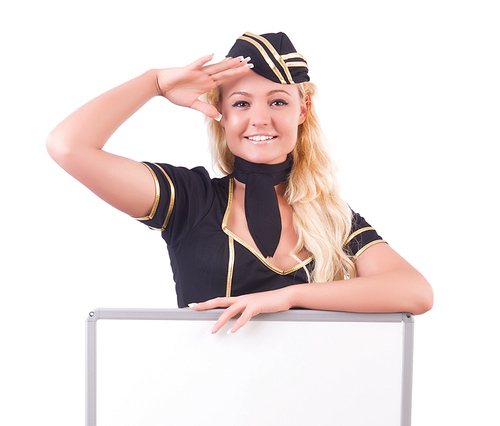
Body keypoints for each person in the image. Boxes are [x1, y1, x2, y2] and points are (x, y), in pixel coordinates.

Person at [46, 31, 433, 333]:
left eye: (278, 101)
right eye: (242, 103)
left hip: (313, 416)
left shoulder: (331, 216)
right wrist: (155, 83)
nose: (260, 119)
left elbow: (415, 291)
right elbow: (68, 147)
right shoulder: (190, 200)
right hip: (205, 413)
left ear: (303, 109)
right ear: (222, 113)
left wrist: (288, 297)